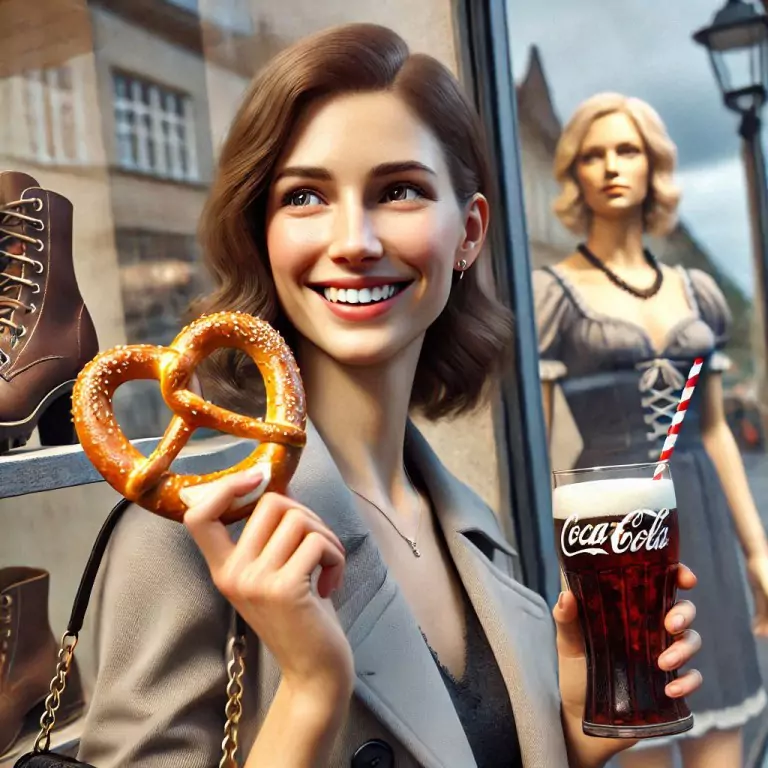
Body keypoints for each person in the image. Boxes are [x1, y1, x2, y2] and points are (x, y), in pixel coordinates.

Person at [77, 30, 702, 768]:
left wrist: (568, 730)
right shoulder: (187, 532)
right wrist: (311, 691)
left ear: (467, 233)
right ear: (264, 233)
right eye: (305, 196)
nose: (354, 241)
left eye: (398, 190)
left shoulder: (476, 528)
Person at [534, 92, 767, 768]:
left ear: (653, 166)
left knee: (719, 725)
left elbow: (717, 430)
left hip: (701, 516)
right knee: (637, 723)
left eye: (627, 150)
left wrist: (756, 551)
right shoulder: (555, 293)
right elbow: (542, 443)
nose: (611, 167)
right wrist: (562, 568)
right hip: (613, 527)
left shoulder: (697, 291)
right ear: (574, 172)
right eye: (594, 153)